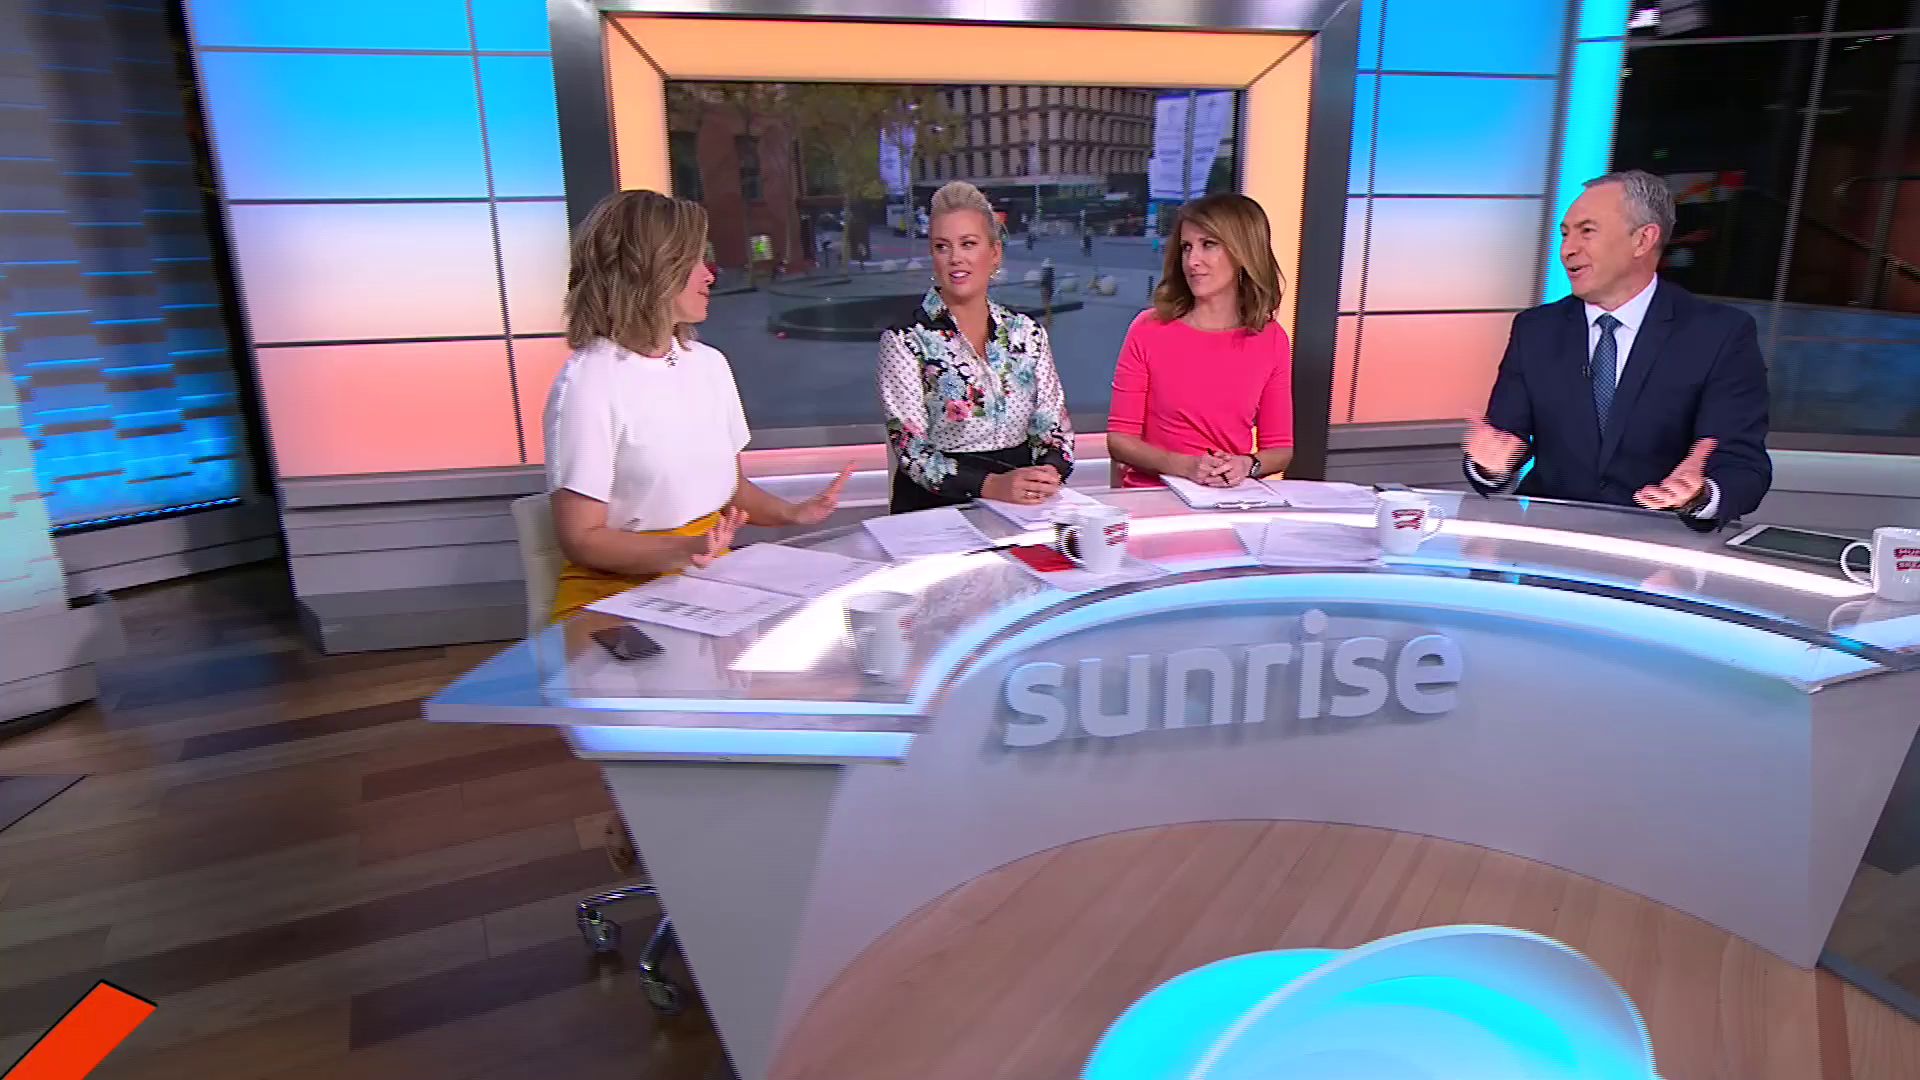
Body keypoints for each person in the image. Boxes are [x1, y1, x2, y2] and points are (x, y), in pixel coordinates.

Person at [543, 189, 848, 622]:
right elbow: (582, 538)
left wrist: (793, 512)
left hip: (705, 580)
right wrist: (682, 550)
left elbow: (730, 489)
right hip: (615, 595)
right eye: (694, 261)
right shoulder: (589, 381)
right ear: (649, 271)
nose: (710, 275)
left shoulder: (710, 364)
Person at [1463, 170, 1770, 527]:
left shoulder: (1718, 334)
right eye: (1565, 234)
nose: (1567, 250)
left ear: (1643, 240)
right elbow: (1502, 445)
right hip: (1551, 541)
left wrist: (1701, 496)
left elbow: (1743, 465)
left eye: (1587, 231)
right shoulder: (1535, 330)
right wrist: (1490, 468)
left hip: (1660, 545)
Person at [877, 181, 1074, 514]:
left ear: (994, 253)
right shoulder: (904, 340)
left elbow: (1054, 429)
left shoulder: (1028, 333)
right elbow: (912, 451)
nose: (956, 258)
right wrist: (992, 486)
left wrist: (1048, 473)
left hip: (1023, 507)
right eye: (942, 246)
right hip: (935, 510)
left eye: (968, 244)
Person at [1105, 193, 1293, 488]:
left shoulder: (1271, 339)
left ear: (1243, 252)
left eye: (1209, 245)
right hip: (1153, 496)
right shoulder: (1149, 329)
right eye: (1186, 247)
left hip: (1229, 497)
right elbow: (1120, 441)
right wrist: (1186, 467)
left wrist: (1247, 464)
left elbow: (1280, 449)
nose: (1192, 261)